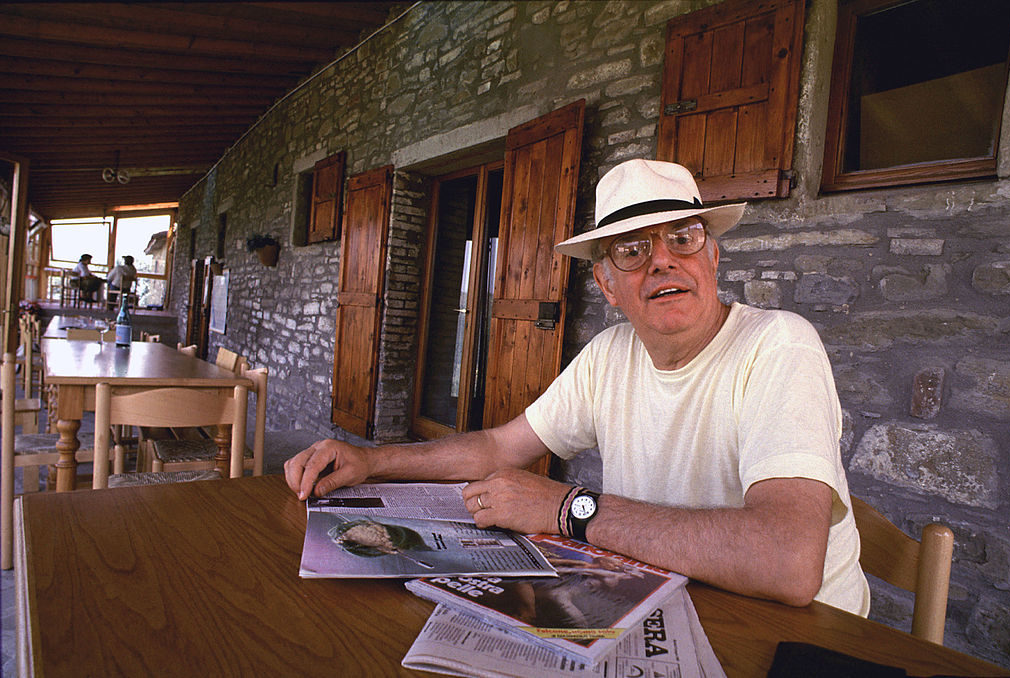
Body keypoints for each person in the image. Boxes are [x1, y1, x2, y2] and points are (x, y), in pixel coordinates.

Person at [285, 159, 869, 615]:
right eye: (633, 250)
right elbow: (496, 449)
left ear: (712, 257)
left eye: (683, 237)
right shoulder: (610, 356)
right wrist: (370, 462)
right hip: (670, 602)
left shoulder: (778, 345)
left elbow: (787, 563)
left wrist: (568, 509)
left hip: (796, 636)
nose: (663, 261)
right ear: (608, 285)